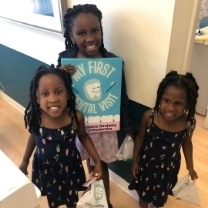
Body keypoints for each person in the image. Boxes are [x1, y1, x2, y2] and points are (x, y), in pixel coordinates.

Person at [57, 4, 137, 207]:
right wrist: (61, 75)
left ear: (101, 30)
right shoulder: (66, 59)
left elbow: (122, 97)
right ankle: (95, 200)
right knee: (88, 164)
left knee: (101, 166)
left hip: (104, 127)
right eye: (81, 33)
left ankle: (105, 203)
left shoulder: (113, 62)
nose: (90, 38)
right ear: (72, 35)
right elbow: (59, 93)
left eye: (95, 30)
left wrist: (128, 129)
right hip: (80, 127)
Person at [19, 65, 102, 208]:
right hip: (46, 168)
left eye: (58, 92)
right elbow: (33, 137)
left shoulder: (75, 117)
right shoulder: (36, 117)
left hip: (70, 167)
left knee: (72, 200)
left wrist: (97, 161)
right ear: (37, 98)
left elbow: (84, 137)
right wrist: (25, 161)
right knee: (53, 201)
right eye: (45, 94)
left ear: (68, 94)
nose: (53, 99)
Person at [129, 71, 199, 208]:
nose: (171, 108)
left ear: (187, 104)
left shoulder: (189, 122)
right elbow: (140, 138)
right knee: (144, 195)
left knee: (160, 197)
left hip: (168, 168)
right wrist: (135, 161)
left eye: (178, 103)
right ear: (160, 98)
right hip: (147, 165)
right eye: (167, 101)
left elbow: (187, 143)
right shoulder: (150, 116)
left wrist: (190, 167)